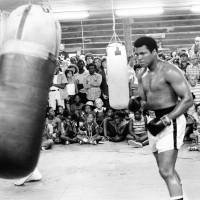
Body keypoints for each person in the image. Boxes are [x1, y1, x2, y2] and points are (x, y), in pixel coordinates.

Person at [134, 36, 193, 200]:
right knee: (166, 170)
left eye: (143, 53)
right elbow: (145, 101)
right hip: (152, 123)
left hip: (170, 122)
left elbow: (187, 99)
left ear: (154, 52)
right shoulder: (143, 75)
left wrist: (166, 119)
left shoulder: (169, 70)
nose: (139, 57)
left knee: (166, 171)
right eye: (137, 54)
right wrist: (137, 101)